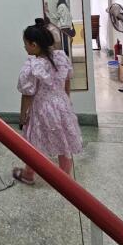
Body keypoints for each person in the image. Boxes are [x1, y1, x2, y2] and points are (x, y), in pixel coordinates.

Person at [13, 19, 82, 184]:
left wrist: (23, 116)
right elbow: (67, 80)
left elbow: (27, 94)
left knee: (35, 142)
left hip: (43, 108)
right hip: (62, 104)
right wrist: (66, 101)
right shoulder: (60, 57)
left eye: (25, 44)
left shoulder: (33, 65)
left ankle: (29, 175)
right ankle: (65, 180)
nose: (24, 47)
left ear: (34, 45)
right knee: (63, 140)